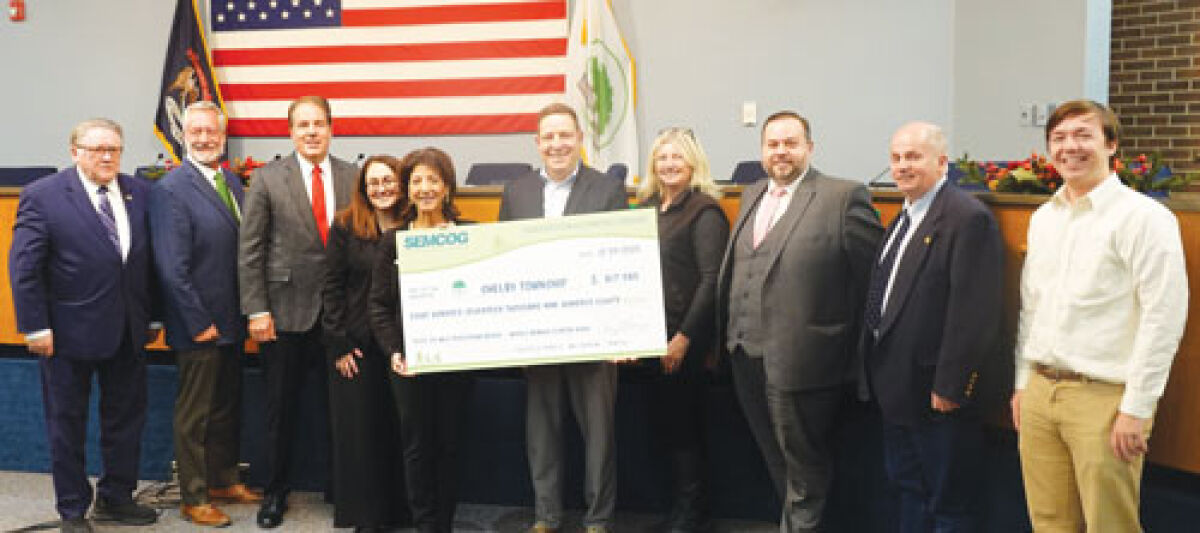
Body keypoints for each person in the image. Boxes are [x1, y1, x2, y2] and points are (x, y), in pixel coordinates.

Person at [1012, 100, 1188, 531]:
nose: (1070, 147)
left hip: (1106, 400)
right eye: (1059, 138)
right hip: (1040, 392)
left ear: (1111, 145)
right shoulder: (1044, 219)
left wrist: (1137, 407)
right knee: (1049, 523)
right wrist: (1022, 384)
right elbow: (1030, 308)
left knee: (1111, 525)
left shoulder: (1145, 218)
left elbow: (1163, 318)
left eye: (1083, 135)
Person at [716, 110, 882, 532]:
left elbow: (872, 285)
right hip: (744, 354)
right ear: (762, 151)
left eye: (791, 143)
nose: (781, 152)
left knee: (805, 465)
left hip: (807, 361)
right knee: (776, 459)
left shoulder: (843, 197)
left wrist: (857, 358)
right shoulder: (752, 193)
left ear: (810, 147)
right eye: (772, 144)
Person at [8, 118, 160, 533]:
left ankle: (116, 497)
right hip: (66, 335)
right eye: (96, 150)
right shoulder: (44, 196)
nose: (107, 157)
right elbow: (24, 268)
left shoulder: (140, 192)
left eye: (114, 149)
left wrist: (154, 315)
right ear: (75, 152)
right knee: (67, 424)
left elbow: (149, 263)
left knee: (126, 419)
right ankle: (73, 510)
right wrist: (35, 326)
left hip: (128, 331)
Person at [859, 122, 1004, 532]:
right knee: (908, 490)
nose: (902, 166)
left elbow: (974, 313)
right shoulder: (901, 217)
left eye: (914, 157)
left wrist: (951, 385)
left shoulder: (967, 219)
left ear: (942, 162)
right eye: (896, 158)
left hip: (939, 397)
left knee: (948, 505)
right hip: (898, 389)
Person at [497, 103, 628, 533]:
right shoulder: (515, 192)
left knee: (600, 438)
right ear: (537, 143)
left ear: (579, 140)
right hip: (538, 335)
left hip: (593, 334)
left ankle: (599, 520)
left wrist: (619, 332)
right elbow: (503, 262)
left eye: (565, 135)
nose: (557, 144)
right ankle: (546, 515)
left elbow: (622, 261)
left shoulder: (607, 190)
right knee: (542, 433)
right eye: (548, 137)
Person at [238, 95, 357, 528]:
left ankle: (343, 489)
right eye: (303, 124)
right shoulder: (268, 179)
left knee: (341, 409)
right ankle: (275, 491)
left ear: (331, 128)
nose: (311, 132)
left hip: (339, 317)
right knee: (280, 410)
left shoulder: (353, 176)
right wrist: (256, 310)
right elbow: (250, 251)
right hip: (283, 314)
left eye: (319, 123)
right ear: (290, 132)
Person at [150, 101, 261, 528]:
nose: (203, 138)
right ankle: (193, 496)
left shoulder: (231, 181)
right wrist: (197, 321)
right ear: (183, 135)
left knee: (226, 407)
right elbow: (171, 267)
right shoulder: (171, 188)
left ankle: (223, 480)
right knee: (194, 414)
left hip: (231, 319)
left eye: (210, 131)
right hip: (198, 323)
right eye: (195, 131)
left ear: (222, 132)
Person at [369, 147, 476, 533]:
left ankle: (443, 523)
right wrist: (394, 352)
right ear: (407, 190)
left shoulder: (470, 236)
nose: (425, 188)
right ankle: (425, 524)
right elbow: (378, 306)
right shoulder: (393, 241)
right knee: (416, 448)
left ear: (446, 186)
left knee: (449, 446)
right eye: (417, 181)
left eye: (433, 179)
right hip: (408, 364)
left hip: (456, 362)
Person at [633, 128, 729, 532]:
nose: (669, 165)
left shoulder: (704, 210)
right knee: (663, 425)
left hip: (683, 339)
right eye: (662, 158)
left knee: (683, 426)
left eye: (677, 157)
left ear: (694, 164)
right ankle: (677, 508)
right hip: (649, 336)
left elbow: (711, 281)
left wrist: (684, 339)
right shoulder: (649, 209)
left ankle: (692, 513)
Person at [322, 154, 409, 532]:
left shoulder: (414, 225)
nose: (382, 188)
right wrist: (338, 344)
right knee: (361, 435)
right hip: (355, 345)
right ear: (363, 189)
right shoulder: (345, 225)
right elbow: (332, 286)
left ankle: (399, 512)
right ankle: (366, 518)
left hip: (401, 344)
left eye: (389, 180)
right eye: (373, 182)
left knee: (398, 430)